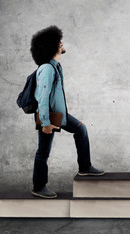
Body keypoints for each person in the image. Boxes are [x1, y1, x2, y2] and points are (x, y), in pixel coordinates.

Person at [30, 25, 104, 199]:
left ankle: (85, 167)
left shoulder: (54, 66)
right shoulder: (47, 68)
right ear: (52, 46)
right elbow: (43, 98)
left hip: (59, 115)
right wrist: (46, 123)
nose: (62, 43)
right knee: (43, 152)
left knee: (81, 129)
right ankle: (39, 186)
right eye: (59, 42)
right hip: (48, 116)